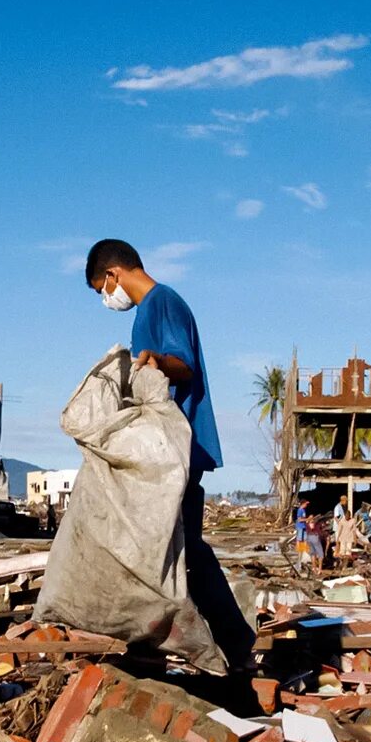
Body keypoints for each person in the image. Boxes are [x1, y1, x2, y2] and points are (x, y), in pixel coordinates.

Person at [85, 238, 256, 670]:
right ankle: (195, 647)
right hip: (165, 452)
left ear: (113, 275)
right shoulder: (150, 310)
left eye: (102, 290)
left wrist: (156, 362)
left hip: (176, 450)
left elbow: (183, 364)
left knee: (181, 551)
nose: (107, 299)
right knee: (171, 550)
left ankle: (231, 646)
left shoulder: (163, 303)